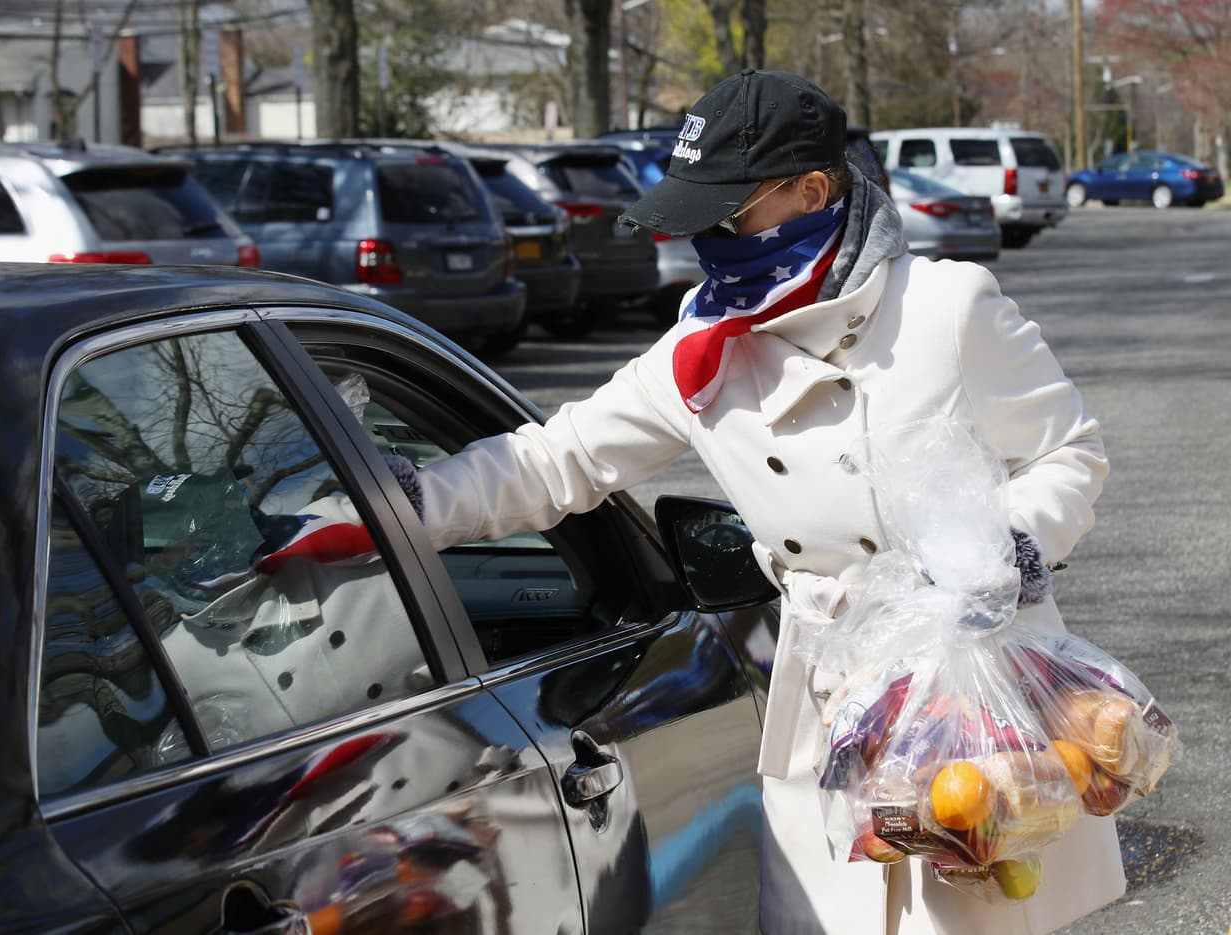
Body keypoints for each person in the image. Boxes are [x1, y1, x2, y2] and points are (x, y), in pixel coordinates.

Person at [402, 69, 1124, 934]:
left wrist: (1003, 548)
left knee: (973, 911)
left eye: (728, 212)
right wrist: (388, 508)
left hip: (975, 694)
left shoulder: (943, 308)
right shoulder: (702, 346)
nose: (709, 236)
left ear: (813, 190)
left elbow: (1069, 450)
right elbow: (555, 460)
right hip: (832, 700)